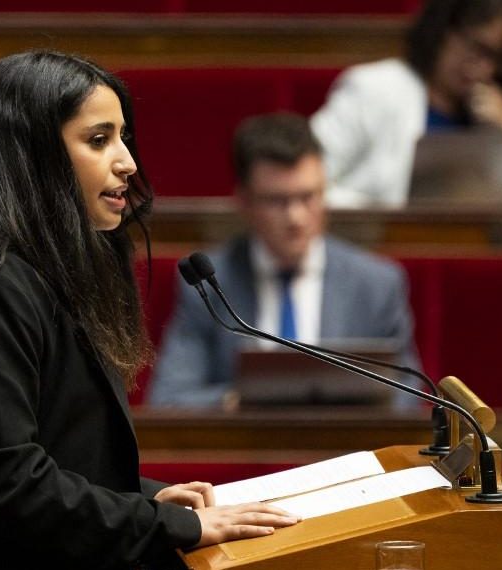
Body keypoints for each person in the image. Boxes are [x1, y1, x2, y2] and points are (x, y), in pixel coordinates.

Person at [0, 51, 299, 570]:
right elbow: (3, 482)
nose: (127, 161)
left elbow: (58, 453)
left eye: (123, 137)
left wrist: (142, 502)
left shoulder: (51, 266)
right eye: (99, 140)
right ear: (30, 157)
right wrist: (166, 525)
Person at [147, 113, 420, 409]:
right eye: (277, 201)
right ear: (244, 202)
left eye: (308, 197)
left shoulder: (376, 284)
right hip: (249, 449)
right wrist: (239, 401)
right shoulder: (209, 284)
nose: (296, 217)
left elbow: (406, 398)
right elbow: (169, 399)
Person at [311, 0, 502, 208]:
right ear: (442, 32)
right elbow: (300, 178)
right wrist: (384, 216)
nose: (483, 67)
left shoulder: (499, 118)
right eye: (474, 46)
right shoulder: (374, 90)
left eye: (496, 58)